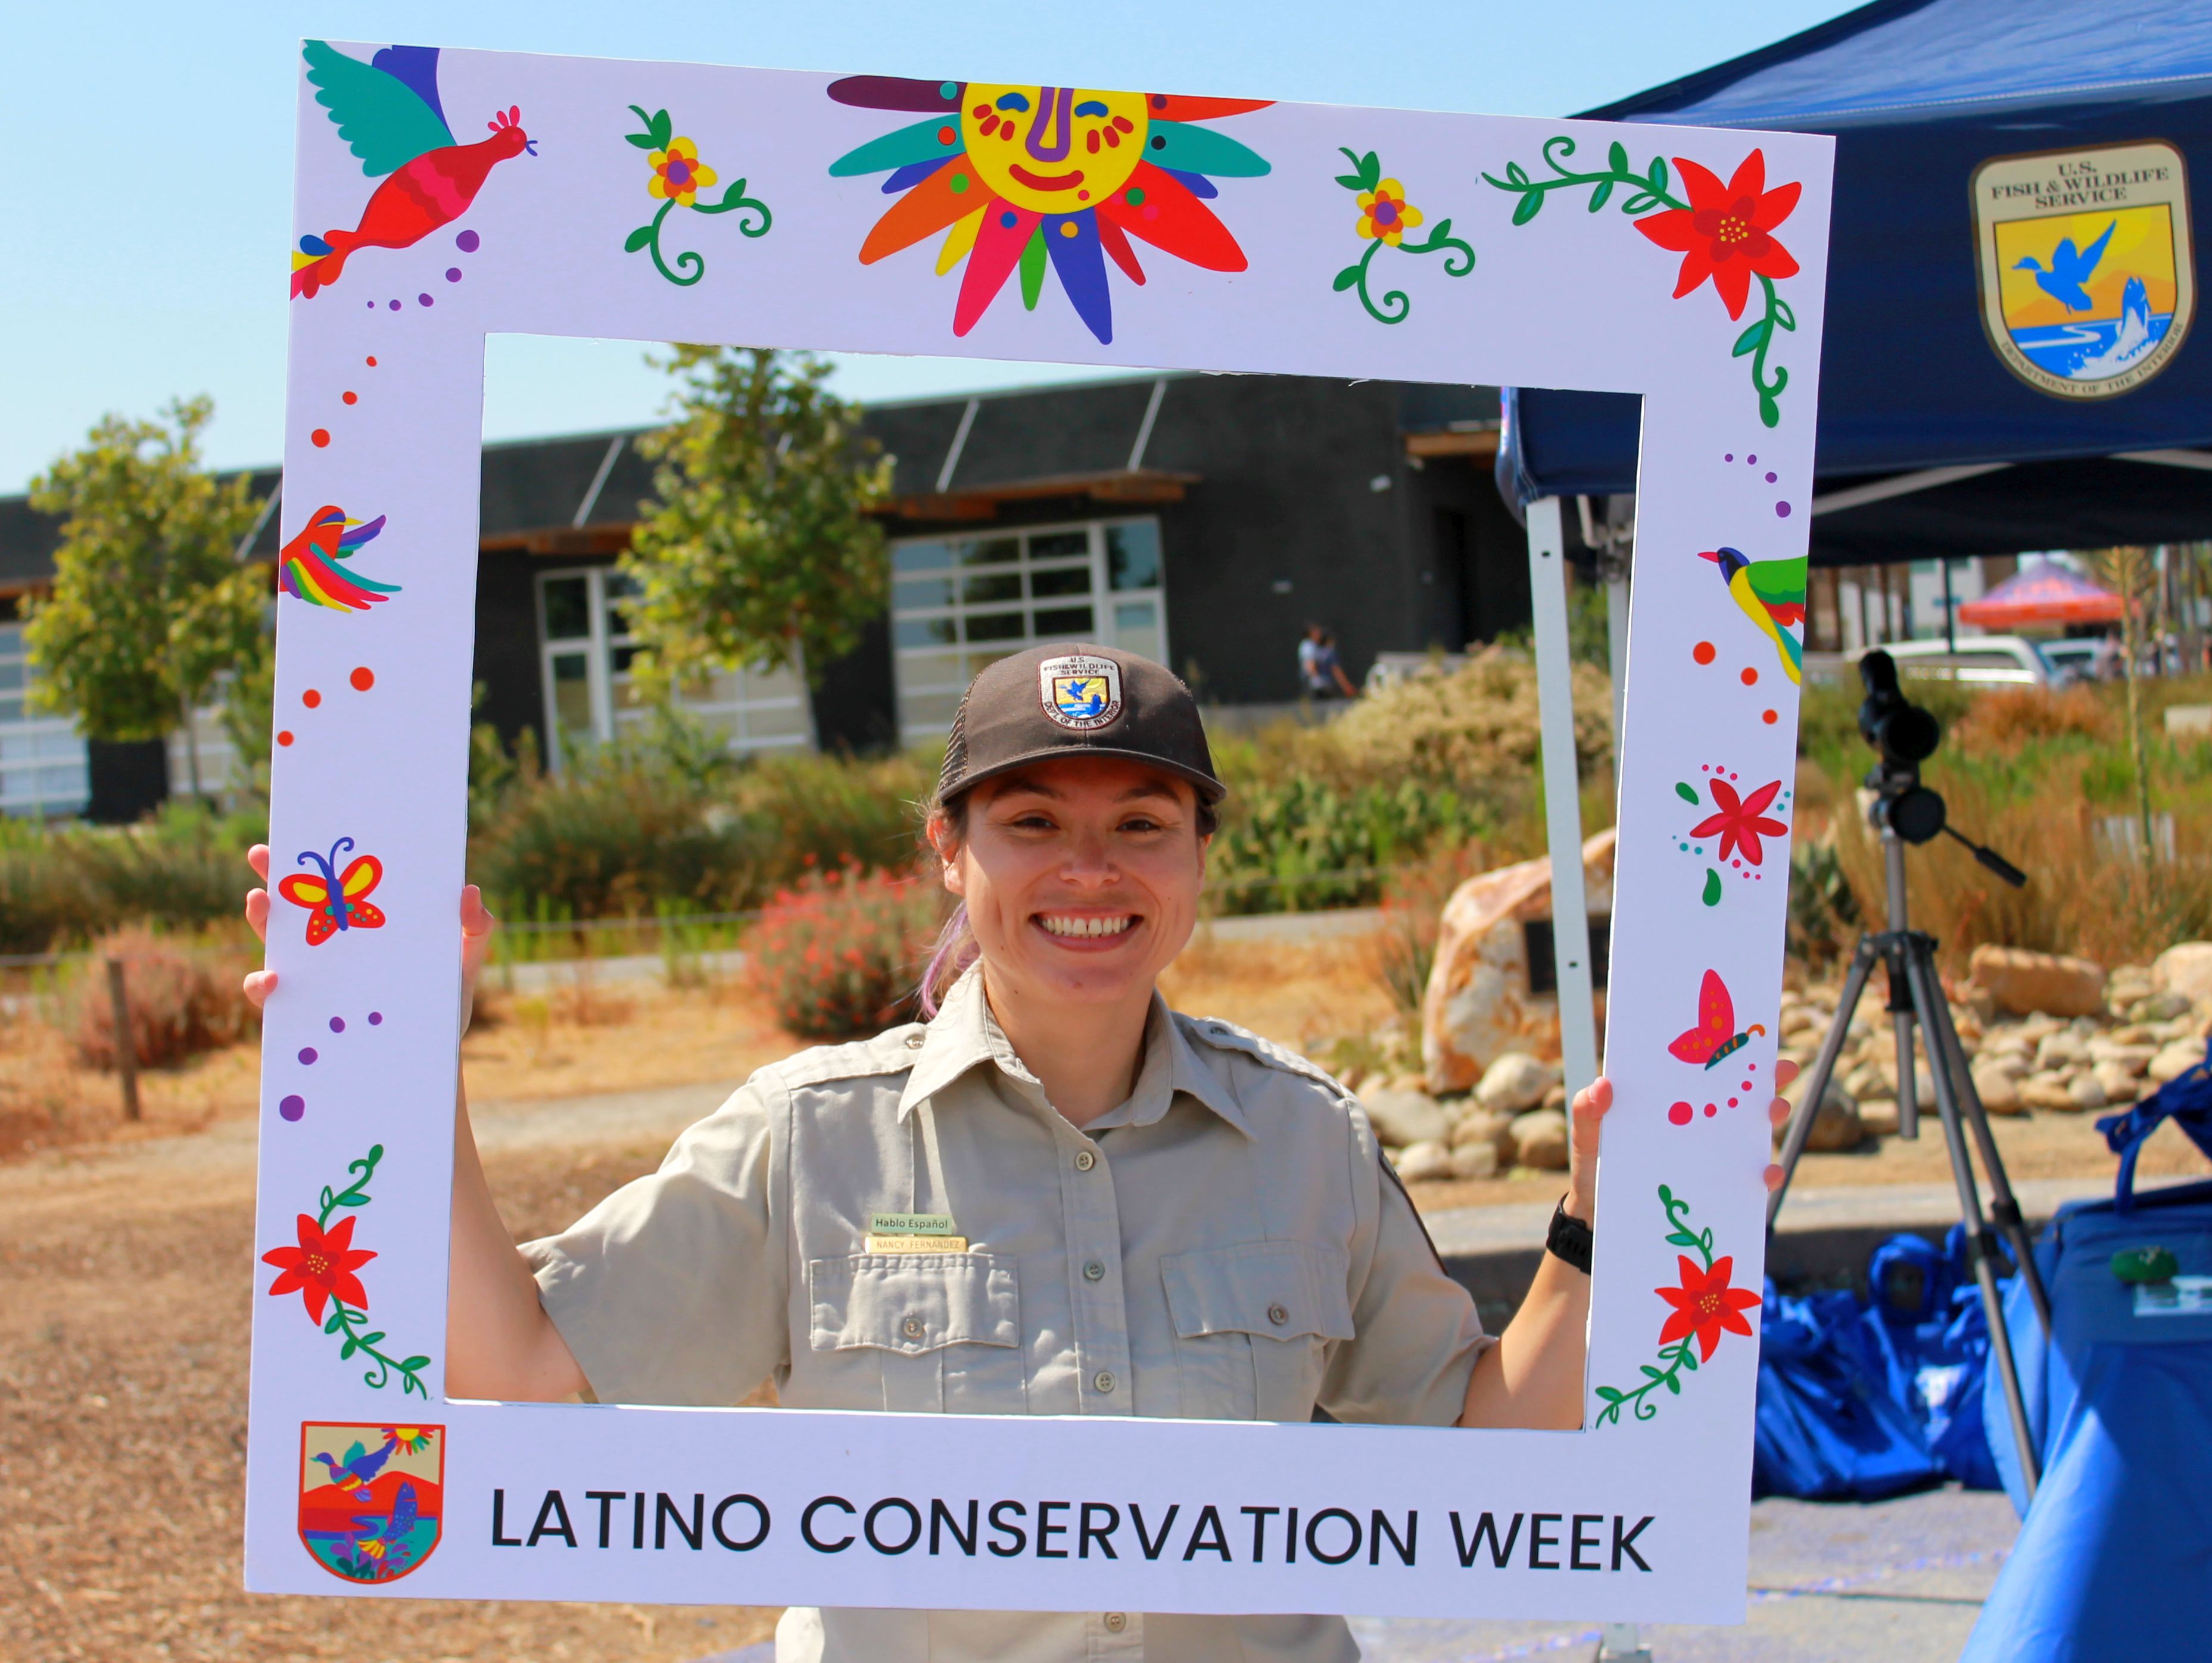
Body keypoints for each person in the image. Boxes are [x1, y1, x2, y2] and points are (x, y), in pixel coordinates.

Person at [242, 643, 1793, 1663]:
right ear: (948, 851)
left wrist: (1606, 1224)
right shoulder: (809, 1140)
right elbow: (522, 1383)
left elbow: (1485, 1465)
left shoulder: (1305, 1139)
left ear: (1198, 857)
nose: (1089, 872)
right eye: (1033, 820)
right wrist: (391, 1065)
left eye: (1141, 822)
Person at [1297, 623, 1357, 700]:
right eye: (1316, 631)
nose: (1318, 633)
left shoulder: (1317, 648)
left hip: (1318, 683)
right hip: (1318, 684)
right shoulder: (1309, 646)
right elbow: (1310, 664)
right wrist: (1316, 680)